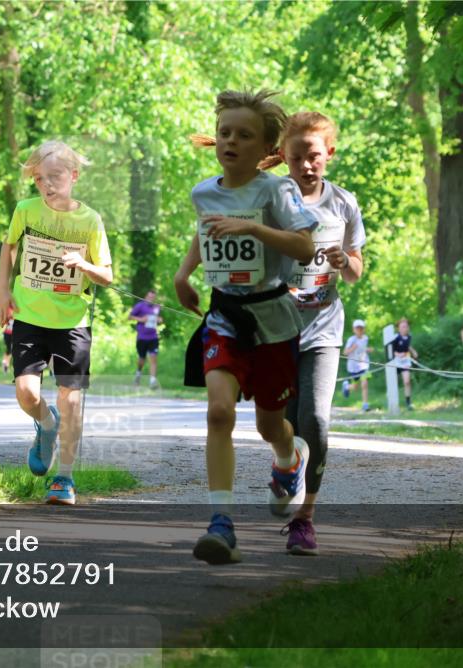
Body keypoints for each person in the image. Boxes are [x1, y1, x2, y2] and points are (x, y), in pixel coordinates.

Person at [175, 89, 316, 564]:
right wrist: (183, 274)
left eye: (244, 135)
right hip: (225, 316)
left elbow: (304, 248)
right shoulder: (204, 192)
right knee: (219, 413)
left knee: (269, 425)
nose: (231, 141)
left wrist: (253, 228)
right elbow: (205, 231)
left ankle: (289, 458)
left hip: (273, 319)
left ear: (266, 149)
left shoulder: (277, 191)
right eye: (225, 133)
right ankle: (221, 524)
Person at [0, 140, 113, 506]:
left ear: (73, 176)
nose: (47, 184)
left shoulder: (90, 221)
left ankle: (64, 477)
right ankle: (47, 425)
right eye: (39, 178)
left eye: (55, 176)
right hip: (29, 316)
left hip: (72, 322)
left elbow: (107, 276)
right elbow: (9, 249)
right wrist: (3, 291)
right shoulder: (26, 211)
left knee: (71, 400)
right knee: (27, 393)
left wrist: (85, 265)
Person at [280, 112, 365, 556]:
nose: (306, 165)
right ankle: (286, 466)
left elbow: (355, 270)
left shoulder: (344, 203)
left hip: (323, 328)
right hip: (275, 328)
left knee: (315, 418)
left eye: (313, 156)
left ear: (329, 153)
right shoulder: (270, 199)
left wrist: (343, 261)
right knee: (283, 423)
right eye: (296, 158)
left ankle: (305, 518)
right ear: (284, 158)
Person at [130, 290, 163, 389]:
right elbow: (130, 317)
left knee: (153, 358)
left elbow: (157, 319)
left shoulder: (156, 307)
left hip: (153, 337)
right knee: (142, 359)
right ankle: (138, 373)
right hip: (142, 337)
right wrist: (141, 319)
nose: (151, 299)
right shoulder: (140, 306)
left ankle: (152, 381)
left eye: (153, 297)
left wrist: (159, 320)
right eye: (149, 297)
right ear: (146, 297)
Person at [342, 320, 371, 412]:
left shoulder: (365, 338)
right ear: (354, 330)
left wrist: (367, 349)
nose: (359, 330)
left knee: (365, 383)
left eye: (361, 328)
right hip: (353, 367)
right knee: (355, 387)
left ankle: (365, 404)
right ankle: (347, 387)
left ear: (364, 329)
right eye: (357, 328)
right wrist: (352, 348)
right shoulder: (351, 340)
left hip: (364, 365)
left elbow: (363, 349)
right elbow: (345, 353)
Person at [390, 317, 418, 410]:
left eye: (406, 326)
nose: (405, 328)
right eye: (403, 327)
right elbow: (391, 350)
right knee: (394, 382)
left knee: (407, 381)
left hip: (405, 361)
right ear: (399, 328)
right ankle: (393, 400)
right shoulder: (395, 338)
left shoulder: (409, 337)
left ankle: (408, 402)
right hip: (395, 362)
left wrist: (413, 352)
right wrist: (397, 354)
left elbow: (407, 346)